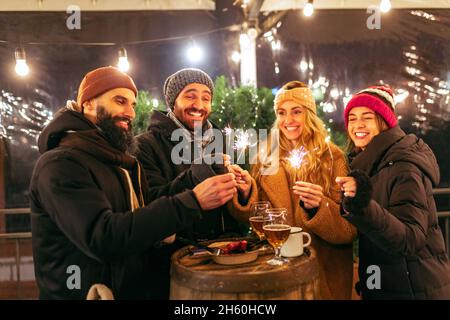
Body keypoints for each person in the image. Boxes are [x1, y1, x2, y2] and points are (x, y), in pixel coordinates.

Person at [29, 66, 237, 299]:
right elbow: (104, 236)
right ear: (87, 103)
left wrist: (224, 185)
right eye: (120, 101)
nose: (130, 113)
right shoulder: (61, 163)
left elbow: (143, 211)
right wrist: (193, 200)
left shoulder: (115, 160)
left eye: (133, 105)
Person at [229, 81, 357, 300]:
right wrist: (246, 191)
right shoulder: (266, 156)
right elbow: (254, 215)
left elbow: (349, 231)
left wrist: (319, 207)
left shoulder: (332, 158)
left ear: (309, 115)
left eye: (296, 111)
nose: (288, 120)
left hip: (324, 274)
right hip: (277, 275)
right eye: (281, 112)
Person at [134, 68, 250, 298]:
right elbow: (150, 203)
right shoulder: (146, 146)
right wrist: (197, 172)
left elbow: (230, 206)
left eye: (206, 98)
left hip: (225, 259)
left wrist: (243, 191)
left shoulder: (219, 141)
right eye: (190, 95)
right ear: (172, 101)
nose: (199, 104)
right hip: (175, 267)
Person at [336, 85, 450, 299]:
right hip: (384, 282)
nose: (357, 125)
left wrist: (362, 204)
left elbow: (410, 240)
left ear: (384, 122)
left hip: (415, 288)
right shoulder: (367, 163)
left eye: (367, 117)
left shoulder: (403, 166)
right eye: (352, 118)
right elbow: (373, 241)